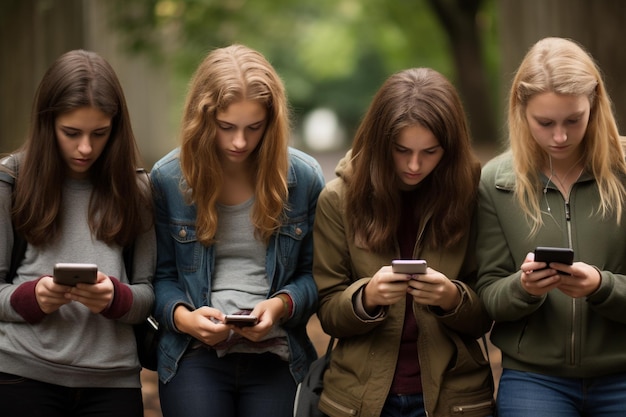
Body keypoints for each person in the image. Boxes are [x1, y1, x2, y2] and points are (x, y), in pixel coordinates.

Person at [150, 44, 325, 417]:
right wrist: (185, 319)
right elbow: (160, 278)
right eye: (226, 127)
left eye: (254, 127)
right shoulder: (168, 178)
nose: (240, 142)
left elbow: (316, 278)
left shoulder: (303, 178)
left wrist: (278, 307)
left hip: (279, 352)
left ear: (272, 122)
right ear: (203, 117)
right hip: (193, 350)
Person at [313, 67, 495, 417]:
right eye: (401, 150)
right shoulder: (339, 199)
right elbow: (327, 312)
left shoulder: (471, 196)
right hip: (358, 398)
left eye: (430, 152)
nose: (414, 165)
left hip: (454, 398)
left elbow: (488, 310)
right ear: (380, 142)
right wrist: (366, 298)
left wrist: (452, 298)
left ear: (450, 148)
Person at [475, 36, 626, 416]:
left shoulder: (623, 171)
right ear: (520, 111)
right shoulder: (497, 181)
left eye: (573, 120)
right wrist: (523, 288)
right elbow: (489, 294)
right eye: (545, 123)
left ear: (595, 104)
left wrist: (601, 286)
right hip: (534, 378)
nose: (560, 137)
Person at [0, 50, 155, 416]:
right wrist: (33, 296)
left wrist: (115, 298)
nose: (85, 148)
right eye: (71, 133)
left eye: (99, 134)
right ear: (46, 123)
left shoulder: (138, 191)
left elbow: (151, 295)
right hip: (22, 377)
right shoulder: (10, 182)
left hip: (113, 384)